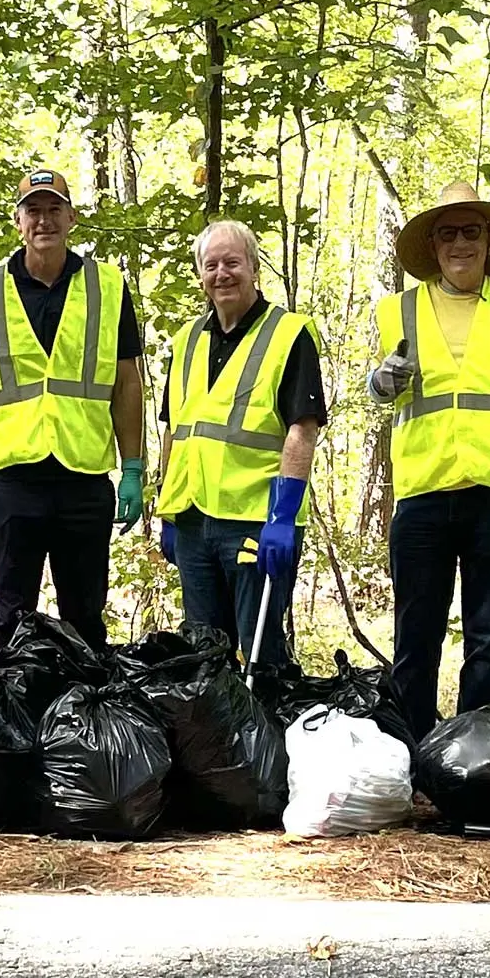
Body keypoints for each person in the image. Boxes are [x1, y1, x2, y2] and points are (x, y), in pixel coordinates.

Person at [368, 181, 490, 739]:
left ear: (488, 241)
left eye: (472, 232)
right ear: (433, 246)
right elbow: (376, 386)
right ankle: (412, 754)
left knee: (487, 636)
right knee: (416, 635)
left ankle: (472, 754)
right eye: (449, 233)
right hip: (423, 491)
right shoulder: (397, 309)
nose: (461, 243)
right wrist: (382, 380)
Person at [0, 169, 147, 654]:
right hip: (13, 476)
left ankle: (89, 721)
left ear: (71, 218)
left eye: (54, 209)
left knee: (85, 618)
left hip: (83, 476)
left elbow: (126, 382)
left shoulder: (108, 287)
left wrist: (134, 467)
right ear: (18, 221)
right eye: (33, 210)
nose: (44, 220)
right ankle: (8, 720)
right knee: (10, 614)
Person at [154, 221, 325, 669]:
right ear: (201, 276)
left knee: (259, 655)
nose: (222, 273)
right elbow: (176, 431)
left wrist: (284, 516)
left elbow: (301, 430)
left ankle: (267, 736)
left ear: (253, 267)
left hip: (255, 523)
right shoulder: (187, 340)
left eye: (232, 262)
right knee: (202, 655)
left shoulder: (288, 334)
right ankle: (215, 740)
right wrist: (168, 511)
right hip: (193, 522)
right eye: (211, 266)